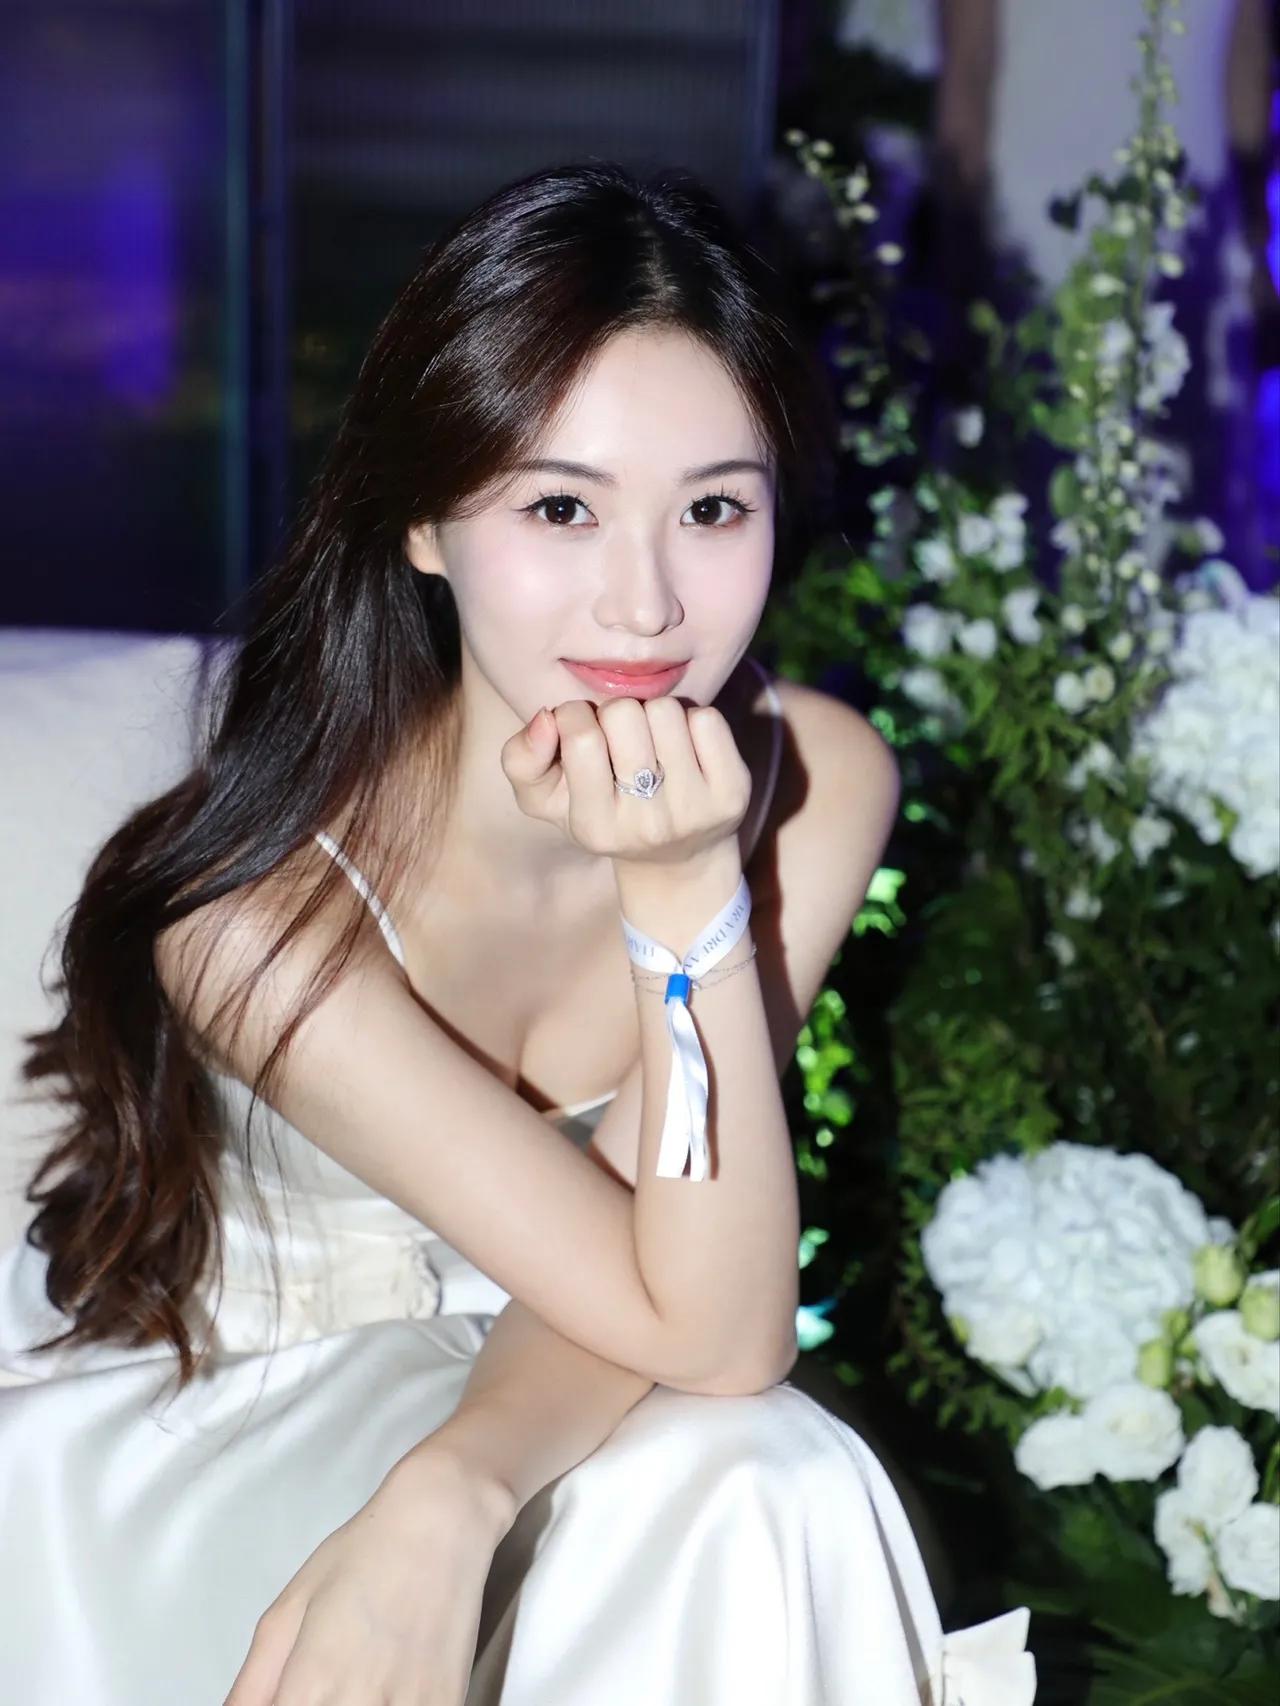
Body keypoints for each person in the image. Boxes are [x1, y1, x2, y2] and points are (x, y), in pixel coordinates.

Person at [0, 161, 1035, 1706]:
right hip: (227, 1439)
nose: (646, 604)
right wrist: (439, 1499)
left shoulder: (818, 781)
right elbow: (705, 1328)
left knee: (762, 1473)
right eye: (561, 507)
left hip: (572, 1390)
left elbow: (709, 1314)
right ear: (426, 523)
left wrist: (683, 890)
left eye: (713, 508)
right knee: (752, 1474)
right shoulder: (255, 924)